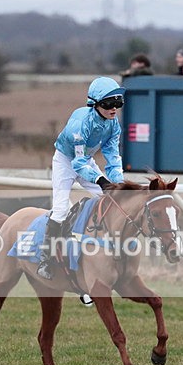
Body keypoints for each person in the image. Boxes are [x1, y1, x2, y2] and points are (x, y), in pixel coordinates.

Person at [37, 77, 125, 280]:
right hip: (66, 162)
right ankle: (46, 258)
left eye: (118, 103)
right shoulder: (81, 123)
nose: (114, 109)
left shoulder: (114, 124)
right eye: (109, 104)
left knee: (110, 200)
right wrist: (101, 181)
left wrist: (118, 183)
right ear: (95, 104)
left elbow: (113, 157)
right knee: (60, 209)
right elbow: (77, 164)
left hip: (86, 160)